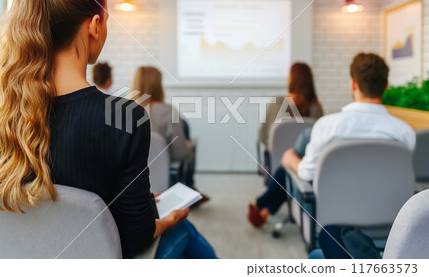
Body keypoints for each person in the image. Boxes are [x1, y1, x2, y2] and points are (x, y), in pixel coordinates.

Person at [0, 0, 216, 259]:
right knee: (181, 229)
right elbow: (133, 239)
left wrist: (139, 204)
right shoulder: (126, 117)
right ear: (94, 25)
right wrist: (163, 221)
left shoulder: (9, 114)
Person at [248, 53, 416, 228]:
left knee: (296, 153)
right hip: (390, 223)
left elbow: (306, 173)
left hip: (332, 221)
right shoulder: (405, 133)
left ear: (353, 84)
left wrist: (289, 159)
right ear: (386, 86)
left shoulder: (327, 126)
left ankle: (263, 204)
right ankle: (264, 205)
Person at [131, 66, 209, 205]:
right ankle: (189, 187)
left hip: (131, 179)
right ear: (158, 85)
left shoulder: (123, 111)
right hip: (162, 174)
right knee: (189, 144)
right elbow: (180, 153)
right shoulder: (169, 111)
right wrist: (188, 145)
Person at [258, 62, 324, 147]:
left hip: (278, 158)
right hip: (306, 158)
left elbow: (263, 136)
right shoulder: (316, 108)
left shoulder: (278, 102)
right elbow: (321, 138)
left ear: (291, 79)